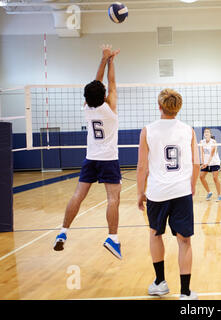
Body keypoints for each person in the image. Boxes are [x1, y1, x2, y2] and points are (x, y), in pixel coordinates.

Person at [53, 44, 122, 259]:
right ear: (103, 95)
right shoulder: (109, 107)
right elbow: (110, 83)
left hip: (90, 158)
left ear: (86, 97)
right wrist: (112, 60)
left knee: (78, 195)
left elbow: (98, 83)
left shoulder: (86, 108)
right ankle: (113, 238)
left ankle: (63, 232)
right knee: (113, 199)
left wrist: (103, 59)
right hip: (108, 159)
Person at [136, 88, 200, 300]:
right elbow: (196, 163)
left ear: (159, 106)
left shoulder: (147, 130)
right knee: (184, 241)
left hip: (157, 192)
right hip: (181, 192)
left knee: (155, 234)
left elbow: (142, 166)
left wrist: (140, 192)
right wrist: (192, 186)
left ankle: (160, 283)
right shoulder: (188, 130)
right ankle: (185, 292)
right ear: (178, 107)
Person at [199, 128, 221, 201]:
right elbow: (202, 153)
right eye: (205, 132)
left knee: (215, 178)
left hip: (214, 162)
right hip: (206, 163)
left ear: (210, 134)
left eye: (208, 132)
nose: (206, 133)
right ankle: (209, 192)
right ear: (204, 134)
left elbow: (212, 154)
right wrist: (203, 163)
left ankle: (219, 195)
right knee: (201, 177)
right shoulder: (201, 142)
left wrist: (207, 163)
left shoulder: (213, 142)